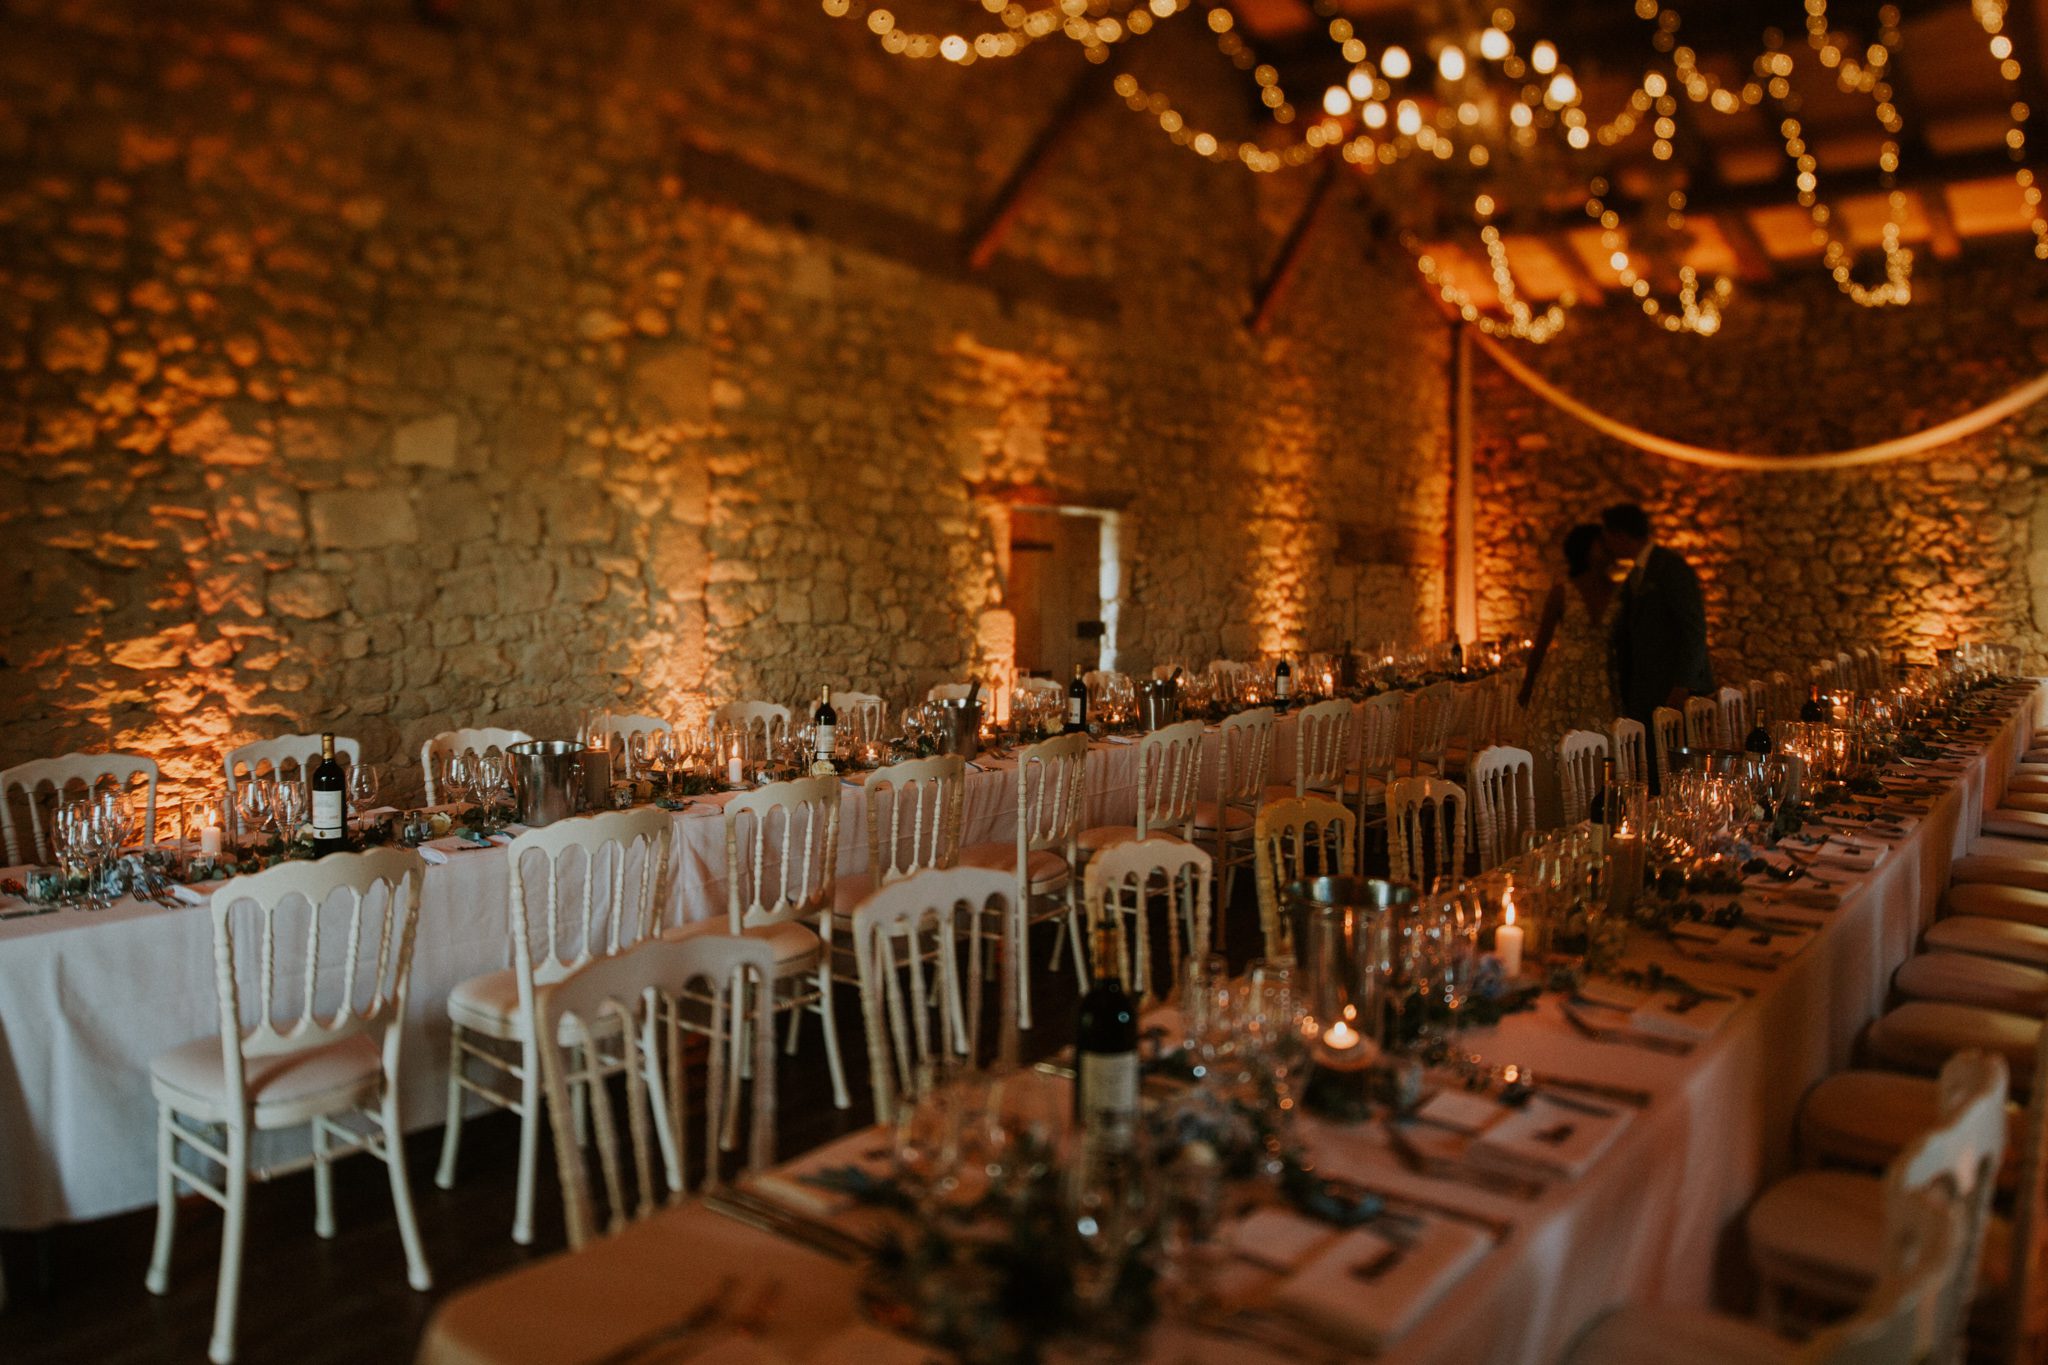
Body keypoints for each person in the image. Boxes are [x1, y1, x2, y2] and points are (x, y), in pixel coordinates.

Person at [1601, 503, 1712, 782]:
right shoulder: (1636, 573)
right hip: (1645, 687)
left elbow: (1693, 629)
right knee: (1651, 765)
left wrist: (1681, 685)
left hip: (1669, 687)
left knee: (1672, 769)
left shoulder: (1669, 568)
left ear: (1620, 535)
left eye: (1609, 536)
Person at [1519, 523, 1619, 826]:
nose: (1607, 549)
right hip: (1560, 683)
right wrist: (1528, 686)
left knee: (1596, 752)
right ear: (1586, 550)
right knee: (1552, 754)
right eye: (1600, 544)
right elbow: (1542, 643)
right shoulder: (1563, 591)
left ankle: (1593, 823)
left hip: (1601, 682)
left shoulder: (1619, 591)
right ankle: (1550, 827)